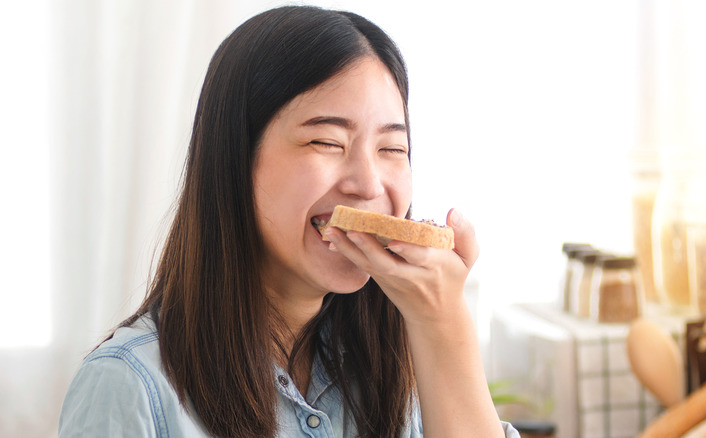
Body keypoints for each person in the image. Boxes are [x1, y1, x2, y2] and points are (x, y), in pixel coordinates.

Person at [59, 5, 520, 438]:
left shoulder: (410, 360)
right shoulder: (130, 384)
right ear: (235, 160)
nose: (368, 184)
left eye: (392, 149)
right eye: (326, 142)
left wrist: (444, 323)